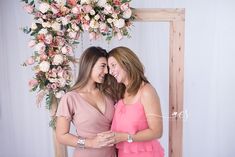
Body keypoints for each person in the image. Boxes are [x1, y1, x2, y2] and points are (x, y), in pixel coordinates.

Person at [56, 46, 118, 157]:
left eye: (107, 67)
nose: (107, 71)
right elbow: (61, 136)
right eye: (103, 66)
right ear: (89, 65)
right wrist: (90, 143)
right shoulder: (70, 98)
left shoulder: (109, 93)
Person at [107, 46, 164, 157]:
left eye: (113, 65)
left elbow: (157, 132)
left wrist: (125, 137)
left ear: (126, 63)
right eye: (109, 67)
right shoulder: (121, 92)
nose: (110, 71)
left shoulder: (146, 91)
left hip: (146, 153)